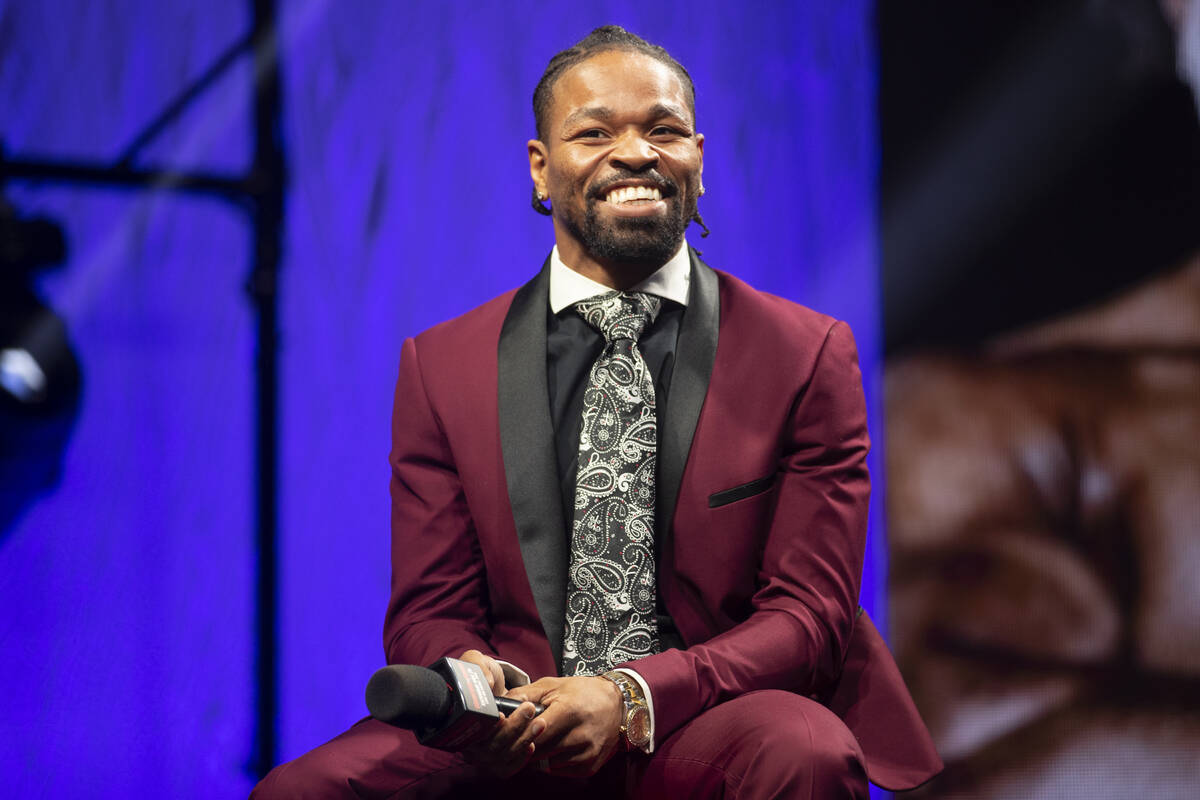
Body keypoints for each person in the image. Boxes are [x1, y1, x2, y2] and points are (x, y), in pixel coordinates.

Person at [253, 25, 940, 799]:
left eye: (664, 129)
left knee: (803, 751)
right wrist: (473, 675)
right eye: (595, 132)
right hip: (517, 731)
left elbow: (809, 616)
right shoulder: (440, 366)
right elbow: (427, 611)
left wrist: (632, 696)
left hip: (706, 716)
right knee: (302, 791)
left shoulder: (806, 354)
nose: (637, 153)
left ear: (700, 162)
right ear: (541, 170)